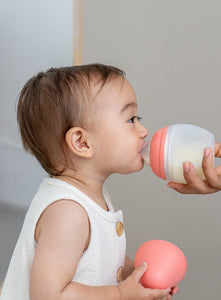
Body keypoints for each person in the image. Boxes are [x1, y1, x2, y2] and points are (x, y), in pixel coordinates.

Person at [0, 64, 177, 300]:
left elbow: (103, 255)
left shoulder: (92, 195)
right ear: (82, 142)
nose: (144, 131)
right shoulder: (67, 213)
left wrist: (137, 276)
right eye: (131, 119)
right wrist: (121, 294)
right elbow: (48, 295)